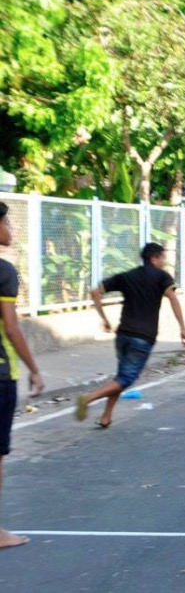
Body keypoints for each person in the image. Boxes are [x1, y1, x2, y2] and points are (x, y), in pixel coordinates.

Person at [75, 243, 185, 428]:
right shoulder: (162, 277)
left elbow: (95, 292)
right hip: (143, 337)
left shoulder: (128, 276)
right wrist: (182, 328)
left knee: (120, 378)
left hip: (123, 335)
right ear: (154, 258)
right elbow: (173, 298)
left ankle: (106, 417)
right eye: (162, 257)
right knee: (125, 379)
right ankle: (88, 399)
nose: (164, 261)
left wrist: (104, 319)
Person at [0, 201, 44, 549]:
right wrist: (34, 368)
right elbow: (12, 328)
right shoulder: (3, 271)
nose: (11, 230)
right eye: (8, 222)